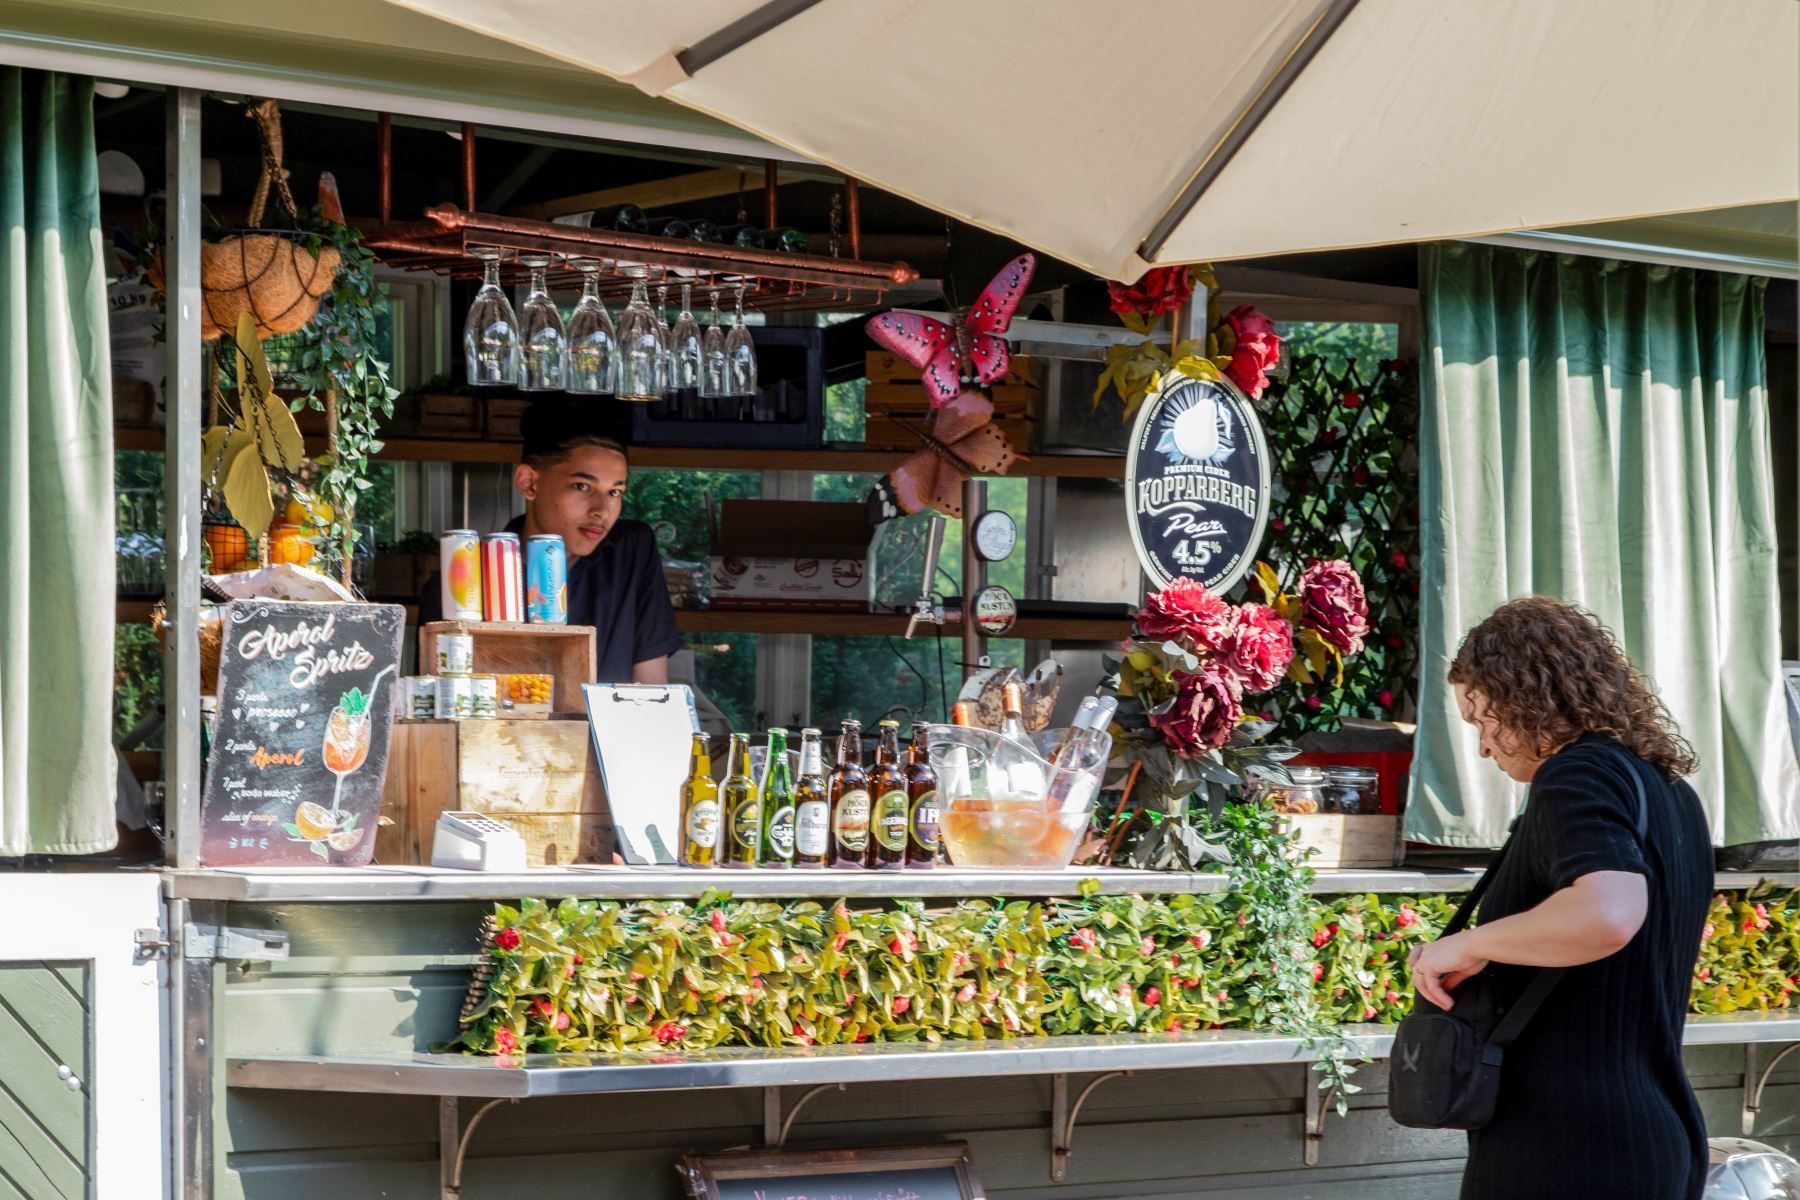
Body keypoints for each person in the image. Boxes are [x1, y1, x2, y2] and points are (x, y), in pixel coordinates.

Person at [1409, 597, 1713, 1200]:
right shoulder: (1669, 791)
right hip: (1656, 1135)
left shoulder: (1576, 775)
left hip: (1569, 1147)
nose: (1484, 747)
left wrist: (1468, 944)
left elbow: (1607, 914)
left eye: (1481, 720)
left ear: (1525, 696)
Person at [420, 401, 681, 684]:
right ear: (528, 483)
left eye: (615, 492)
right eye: (582, 486)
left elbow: (651, 690)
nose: (602, 511)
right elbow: (440, 696)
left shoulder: (631, 550)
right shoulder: (464, 584)